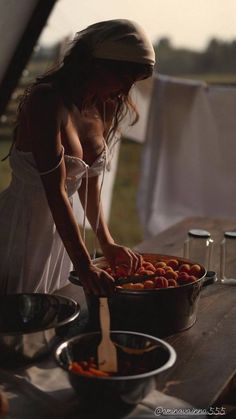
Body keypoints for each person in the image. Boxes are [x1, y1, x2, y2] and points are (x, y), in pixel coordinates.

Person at [0, 19, 155, 295]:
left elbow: (88, 184)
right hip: (20, 231)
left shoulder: (102, 107)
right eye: (122, 77)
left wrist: (106, 243)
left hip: (62, 237)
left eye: (133, 80)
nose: (125, 88)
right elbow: (55, 191)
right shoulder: (46, 101)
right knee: (14, 322)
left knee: (52, 318)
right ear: (94, 64)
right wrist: (84, 264)